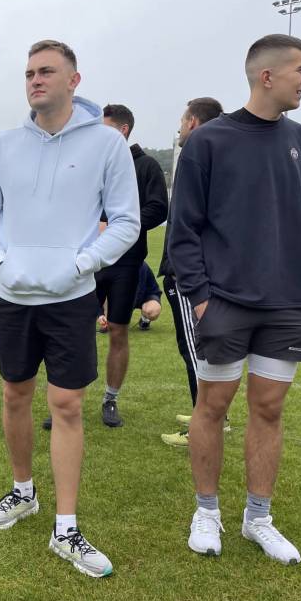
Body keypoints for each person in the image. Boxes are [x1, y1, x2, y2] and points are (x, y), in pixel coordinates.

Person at [0, 40, 139, 578]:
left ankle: (66, 527)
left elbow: (127, 222)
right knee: (14, 395)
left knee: (66, 405)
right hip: (13, 296)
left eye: (46, 71)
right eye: (29, 73)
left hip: (70, 297)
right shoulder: (5, 145)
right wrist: (1, 262)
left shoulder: (106, 144)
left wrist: (82, 264)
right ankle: (24, 493)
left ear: (73, 80)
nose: (35, 80)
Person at [169, 34, 301, 565]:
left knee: (269, 408)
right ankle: (206, 511)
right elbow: (183, 231)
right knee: (212, 406)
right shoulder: (209, 141)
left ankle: (258, 518)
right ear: (267, 75)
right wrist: (201, 298)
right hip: (226, 303)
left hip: (290, 305)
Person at [157, 97, 225, 447]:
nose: (180, 128)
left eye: (183, 121)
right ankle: (211, 414)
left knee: (196, 348)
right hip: (202, 270)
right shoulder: (221, 150)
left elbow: (188, 222)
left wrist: (181, 270)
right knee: (202, 347)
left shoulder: (197, 152)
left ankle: (208, 423)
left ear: (194, 122)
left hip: (190, 274)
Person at [96, 104, 168, 427]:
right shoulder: (93, 164)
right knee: (74, 330)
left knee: (118, 331)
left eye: (105, 128)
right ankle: (67, 399)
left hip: (126, 264)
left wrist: (116, 227)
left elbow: (159, 208)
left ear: (122, 130)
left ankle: (110, 399)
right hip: (88, 262)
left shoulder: (146, 166)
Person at [132, 261, 162, 330]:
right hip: (124, 295)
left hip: (146, 295)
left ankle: (145, 319)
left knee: (152, 311)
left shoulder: (140, 265)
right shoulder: (112, 264)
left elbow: (139, 291)